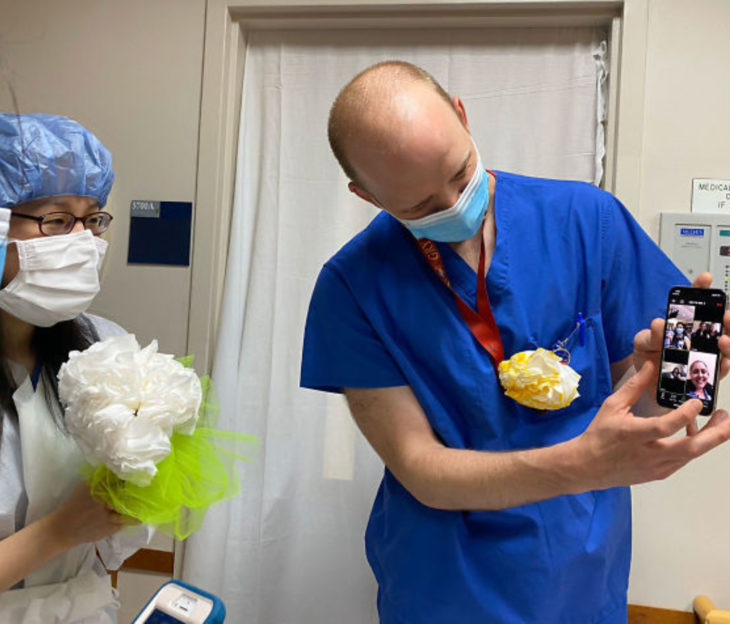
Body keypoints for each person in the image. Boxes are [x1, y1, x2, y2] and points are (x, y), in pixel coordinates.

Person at [300, 61, 730, 623]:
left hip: (581, 574)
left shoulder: (587, 219)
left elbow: (649, 407)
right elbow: (420, 466)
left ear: (462, 114)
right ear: (365, 194)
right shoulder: (351, 286)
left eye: (460, 174)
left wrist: (678, 379)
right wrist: (582, 464)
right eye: (421, 207)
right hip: (442, 585)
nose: (455, 205)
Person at [0, 113, 151, 623]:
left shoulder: (102, 345)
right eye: (57, 220)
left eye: (93, 218)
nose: (84, 241)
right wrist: (61, 531)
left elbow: (108, 546)